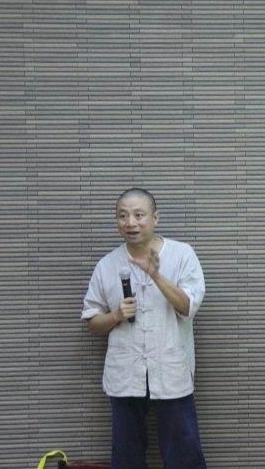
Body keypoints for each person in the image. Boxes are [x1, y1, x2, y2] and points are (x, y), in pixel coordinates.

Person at [81, 188, 207, 469]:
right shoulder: (107, 264)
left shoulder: (182, 254)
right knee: (126, 454)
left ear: (155, 218)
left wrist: (155, 275)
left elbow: (189, 306)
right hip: (125, 371)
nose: (131, 223)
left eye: (139, 215)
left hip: (171, 367)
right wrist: (116, 315)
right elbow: (91, 321)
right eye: (123, 216)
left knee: (184, 451)